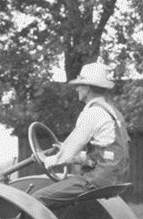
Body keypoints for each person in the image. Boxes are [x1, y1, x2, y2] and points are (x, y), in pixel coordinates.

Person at [33, 62, 130, 207]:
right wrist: (74, 156)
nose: (77, 89)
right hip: (114, 178)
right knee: (62, 195)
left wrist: (46, 160)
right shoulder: (111, 111)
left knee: (36, 198)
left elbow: (68, 153)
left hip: (98, 179)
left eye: (80, 85)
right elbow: (104, 154)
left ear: (88, 88)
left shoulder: (92, 113)